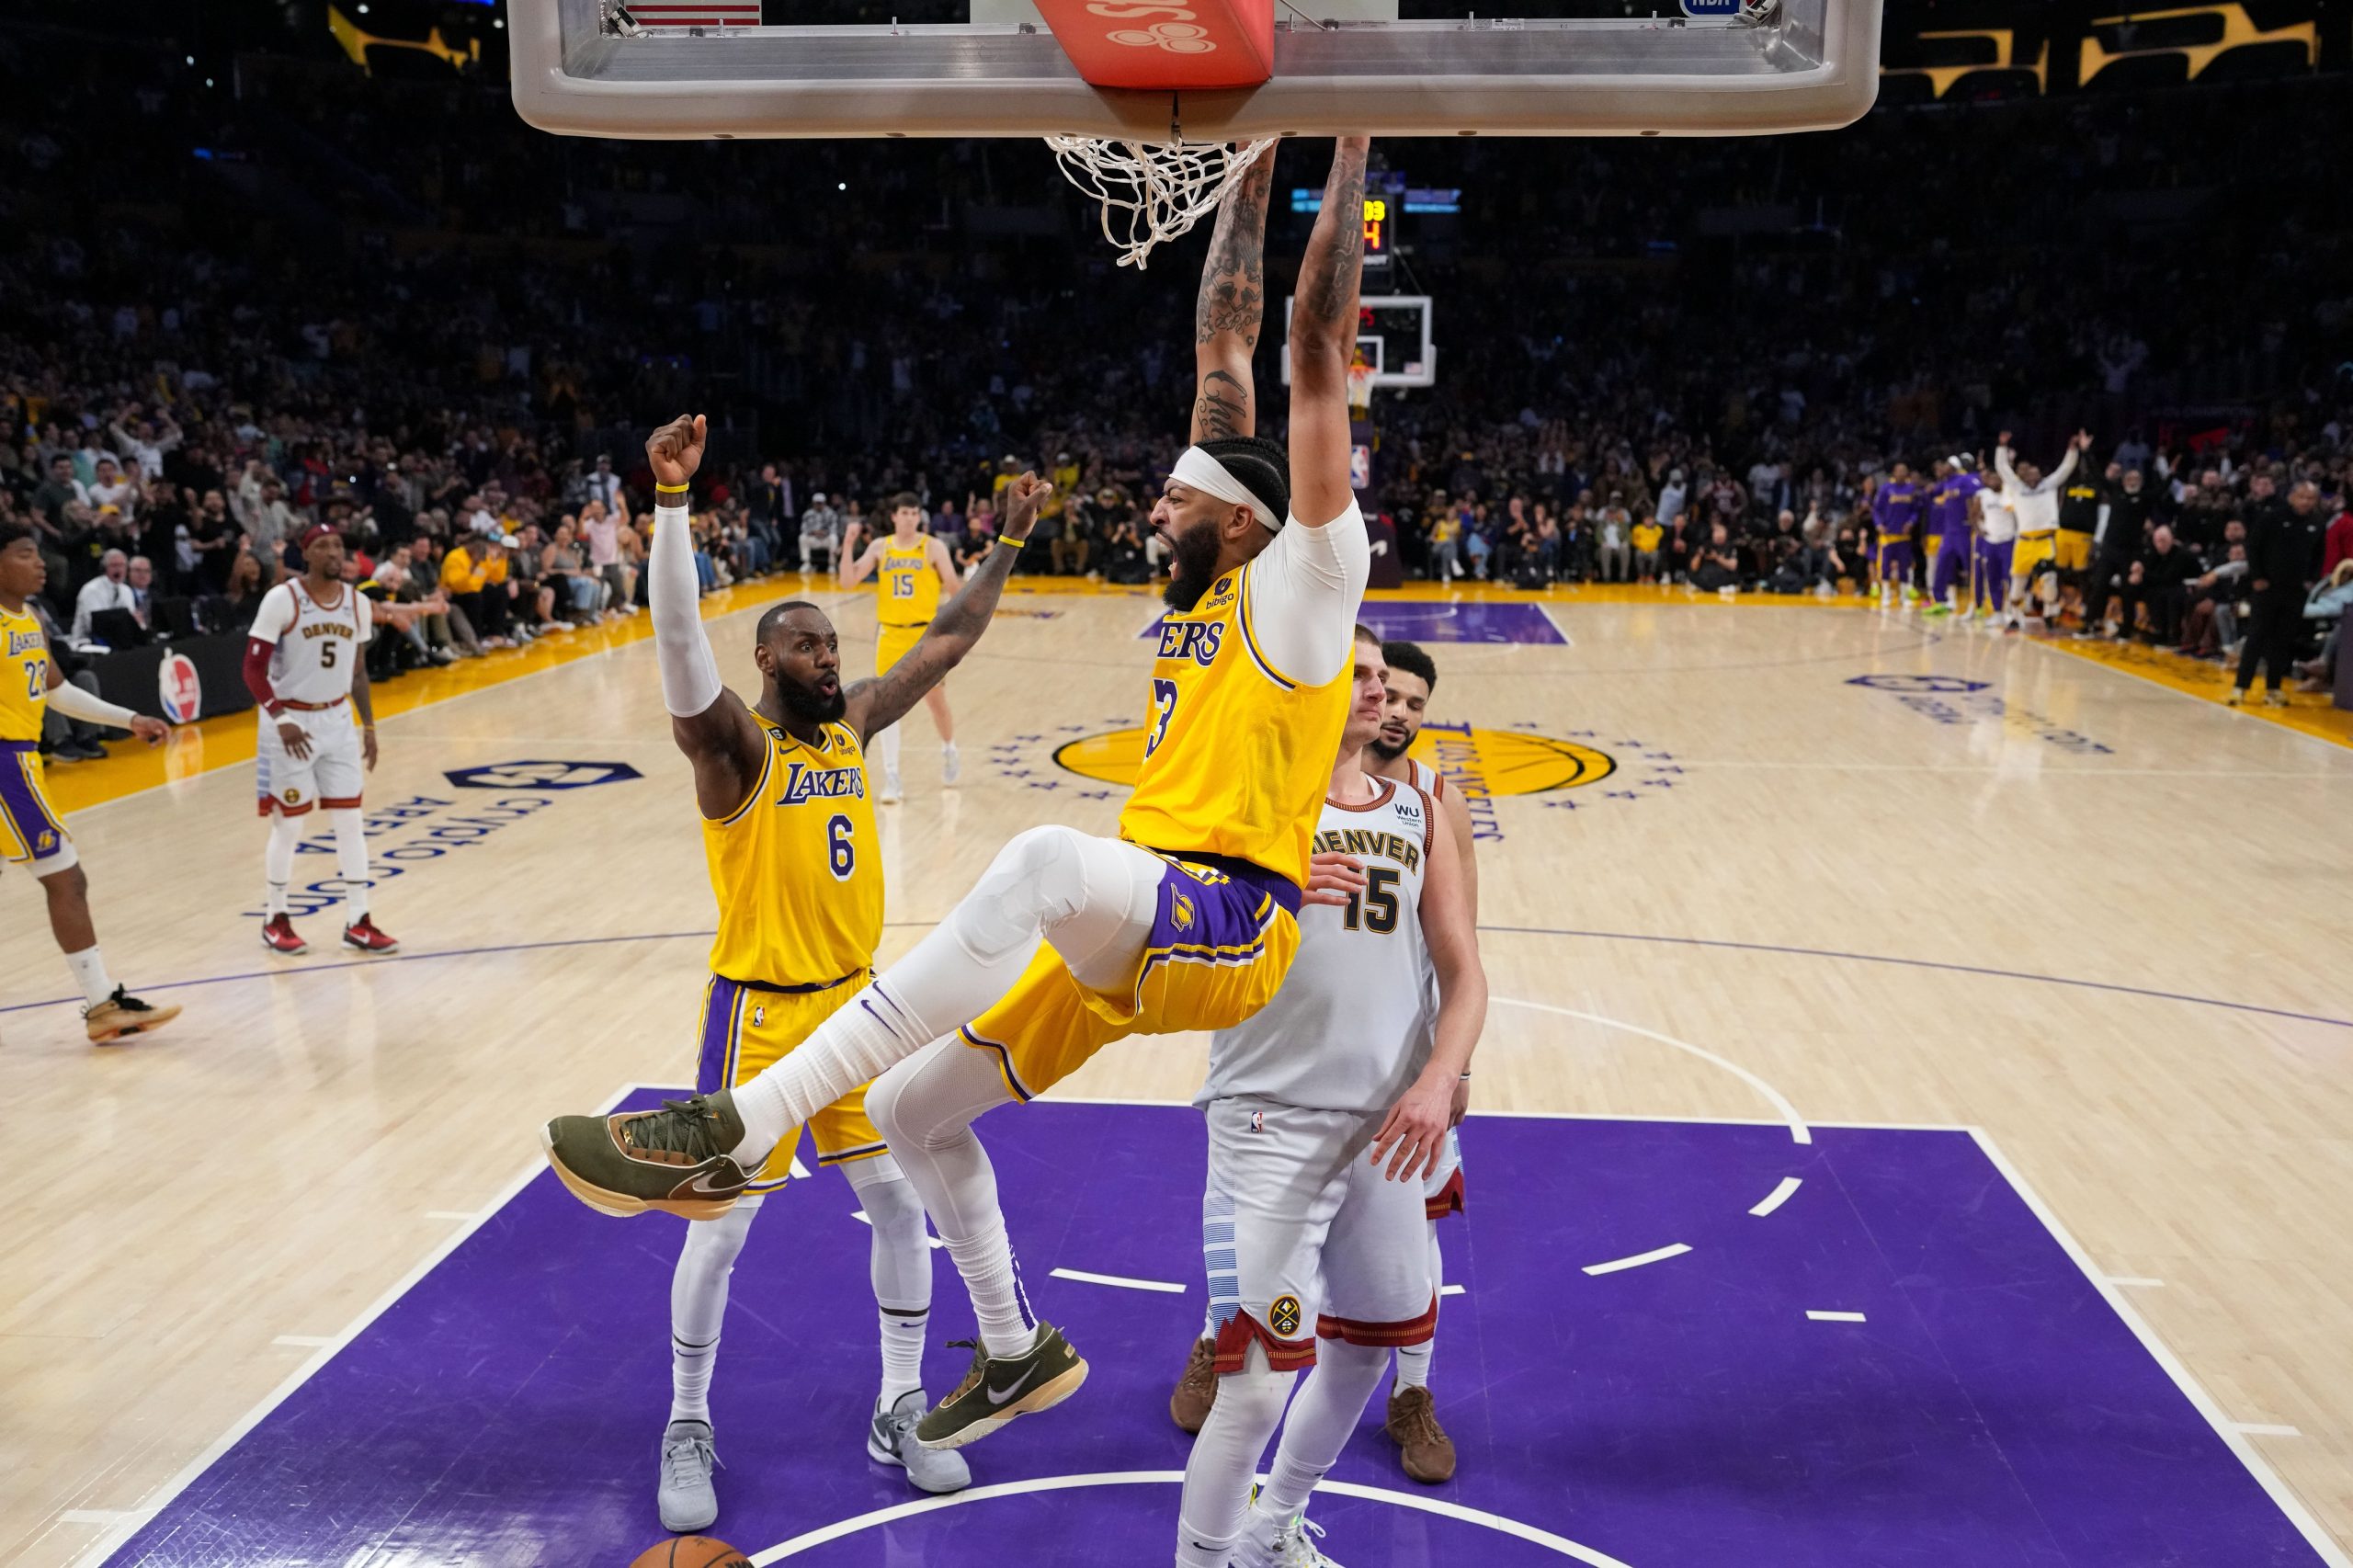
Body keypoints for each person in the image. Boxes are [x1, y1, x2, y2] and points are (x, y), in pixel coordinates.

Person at [540, 137, 1376, 1463]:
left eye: (1173, 499)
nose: (1151, 513)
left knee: (1044, 854)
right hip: (1150, 924)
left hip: (1234, 919)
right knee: (911, 1110)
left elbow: (1309, 342)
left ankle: (736, 1125)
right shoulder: (1215, 564)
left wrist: (1352, 124)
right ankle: (1010, 1343)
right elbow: (1226, 329)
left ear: (1238, 521)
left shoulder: (1308, 579)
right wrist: (1255, 145)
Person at [626, 420, 1041, 1534]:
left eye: (830, 643)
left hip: (858, 1006)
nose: (829, 656)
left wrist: (1000, 546)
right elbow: (675, 636)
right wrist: (671, 503)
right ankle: (686, 1415)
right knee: (720, 1228)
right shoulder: (734, 749)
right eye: (805, 644)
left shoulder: (851, 726)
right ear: (764, 659)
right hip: (756, 1013)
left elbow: (945, 640)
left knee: (898, 1203)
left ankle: (898, 1400)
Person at [1171, 629, 1486, 1568]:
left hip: (1389, 1124)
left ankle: (1272, 1528)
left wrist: (1441, 1076)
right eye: (1355, 677)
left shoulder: (1420, 810)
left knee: (1368, 1342)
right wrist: (1250, 894)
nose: (1378, 695)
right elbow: (1151, 931)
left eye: (1384, 682)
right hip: (1267, 1117)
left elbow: (1466, 973)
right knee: (1254, 1385)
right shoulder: (1246, 803)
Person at [0, 521, 181, 1044]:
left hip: (21, 759)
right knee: (67, 879)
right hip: (7, 764)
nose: (40, 563)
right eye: (25, 553)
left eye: (39, 554)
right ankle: (102, 1004)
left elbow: (56, 691)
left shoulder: (29, 619)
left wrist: (130, 719)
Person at [244, 525, 399, 957]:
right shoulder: (283, 599)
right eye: (323, 546)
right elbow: (252, 671)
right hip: (290, 721)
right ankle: (275, 917)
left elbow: (358, 671)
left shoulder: (358, 603)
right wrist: (280, 717)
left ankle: (359, 919)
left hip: (336, 720)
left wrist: (368, 726)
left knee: (351, 822)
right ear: (306, 554)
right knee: (289, 824)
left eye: (339, 546)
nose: (334, 553)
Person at [838, 492, 962, 804]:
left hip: (924, 636)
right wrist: (849, 543)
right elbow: (848, 581)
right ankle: (892, 776)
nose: (910, 517)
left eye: (914, 512)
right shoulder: (881, 546)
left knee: (936, 703)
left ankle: (949, 749)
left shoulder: (933, 546)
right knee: (888, 709)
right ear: (893, 517)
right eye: (904, 512)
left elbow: (955, 590)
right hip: (890, 636)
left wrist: (951, 632)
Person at [2230, 479, 2327, 707]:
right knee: (2256, 636)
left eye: (2311, 498)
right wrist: (2257, 577)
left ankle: (2273, 689)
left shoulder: (2317, 522)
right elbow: (2253, 547)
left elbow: (2319, 554)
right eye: (2302, 497)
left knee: (2283, 640)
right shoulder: (2272, 517)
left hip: (2295, 591)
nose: (2306, 502)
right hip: (2267, 588)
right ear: (2292, 497)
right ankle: (2240, 687)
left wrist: (2311, 581)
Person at [1996, 430, 2087, 626]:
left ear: (2040, 475)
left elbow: (2065, 468)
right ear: (2025, 477)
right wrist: (2001, 447)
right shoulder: (2018, 488)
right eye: (2029, 475)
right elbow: (2003, 469)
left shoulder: (2049, 485)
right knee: (2018, 583)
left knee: (2050, 581)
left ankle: (2049, 615)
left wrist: (2072, 449)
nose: (2032, 478)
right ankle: (2013, 615)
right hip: (2023, 542)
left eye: (2036, 474)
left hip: (2045, 542)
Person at [1926, 456, 1983, 616]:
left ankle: (1977, 603)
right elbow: (1932, 492)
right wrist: (1928, 489)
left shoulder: (1964, 479)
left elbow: (1978, 489)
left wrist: (1960, 492)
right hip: (1948, 532)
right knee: (1942, 565)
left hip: (1964, 530)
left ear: (1953, 466)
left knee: (1969, 567)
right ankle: (1940, 601)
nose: (1942, 468)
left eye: (1945, 465)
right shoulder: (1946, 482)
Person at [1870, 461, 1924, 610]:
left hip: (1904, 536)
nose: (1901, 473)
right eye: (1898, 470)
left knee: (1904, 567)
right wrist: (1879, 524)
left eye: (1904, 470)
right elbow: (1876, 510)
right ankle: (1886, 595)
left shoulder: (1911, 489)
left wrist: (1911, 522)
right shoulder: (1886, 489)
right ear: (1894, 472)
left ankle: (1904, 596)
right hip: (1888, 536)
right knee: (1885, 567)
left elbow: (1916, 511)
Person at [1974, 472, 2020, 624]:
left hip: (2008, 540)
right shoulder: (1983, 494)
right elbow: (1974, 514)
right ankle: (1998, 612)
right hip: (1990, 541)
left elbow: (2018, 514)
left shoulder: (2009, 492)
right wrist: (1979, 529)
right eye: (1991, 478)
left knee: (2010, 577)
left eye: (1997, 478)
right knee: (1992, 577)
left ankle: (2013, 612)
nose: (1993, 481)